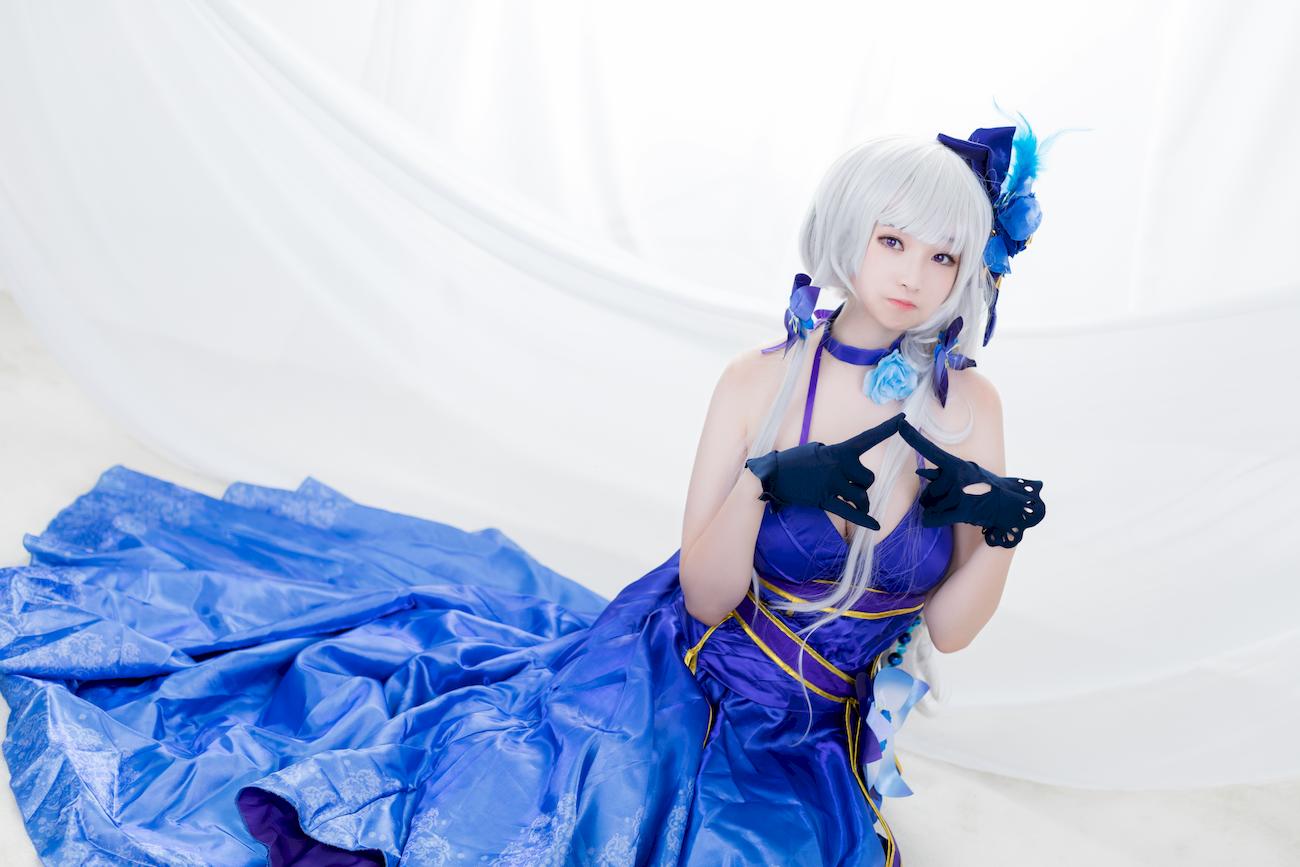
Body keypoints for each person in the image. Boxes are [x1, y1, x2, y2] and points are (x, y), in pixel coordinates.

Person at [0, 117, 1053, 866]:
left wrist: (997, 537)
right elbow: (704, 595)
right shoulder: (759, 382)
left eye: (942, 254)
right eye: (891, 240)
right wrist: (765, 482)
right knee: (541, 820)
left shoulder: (969, 408)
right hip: (689, 688)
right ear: (849, 234)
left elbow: (949, 631)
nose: (913, 274)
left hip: (821, 734)